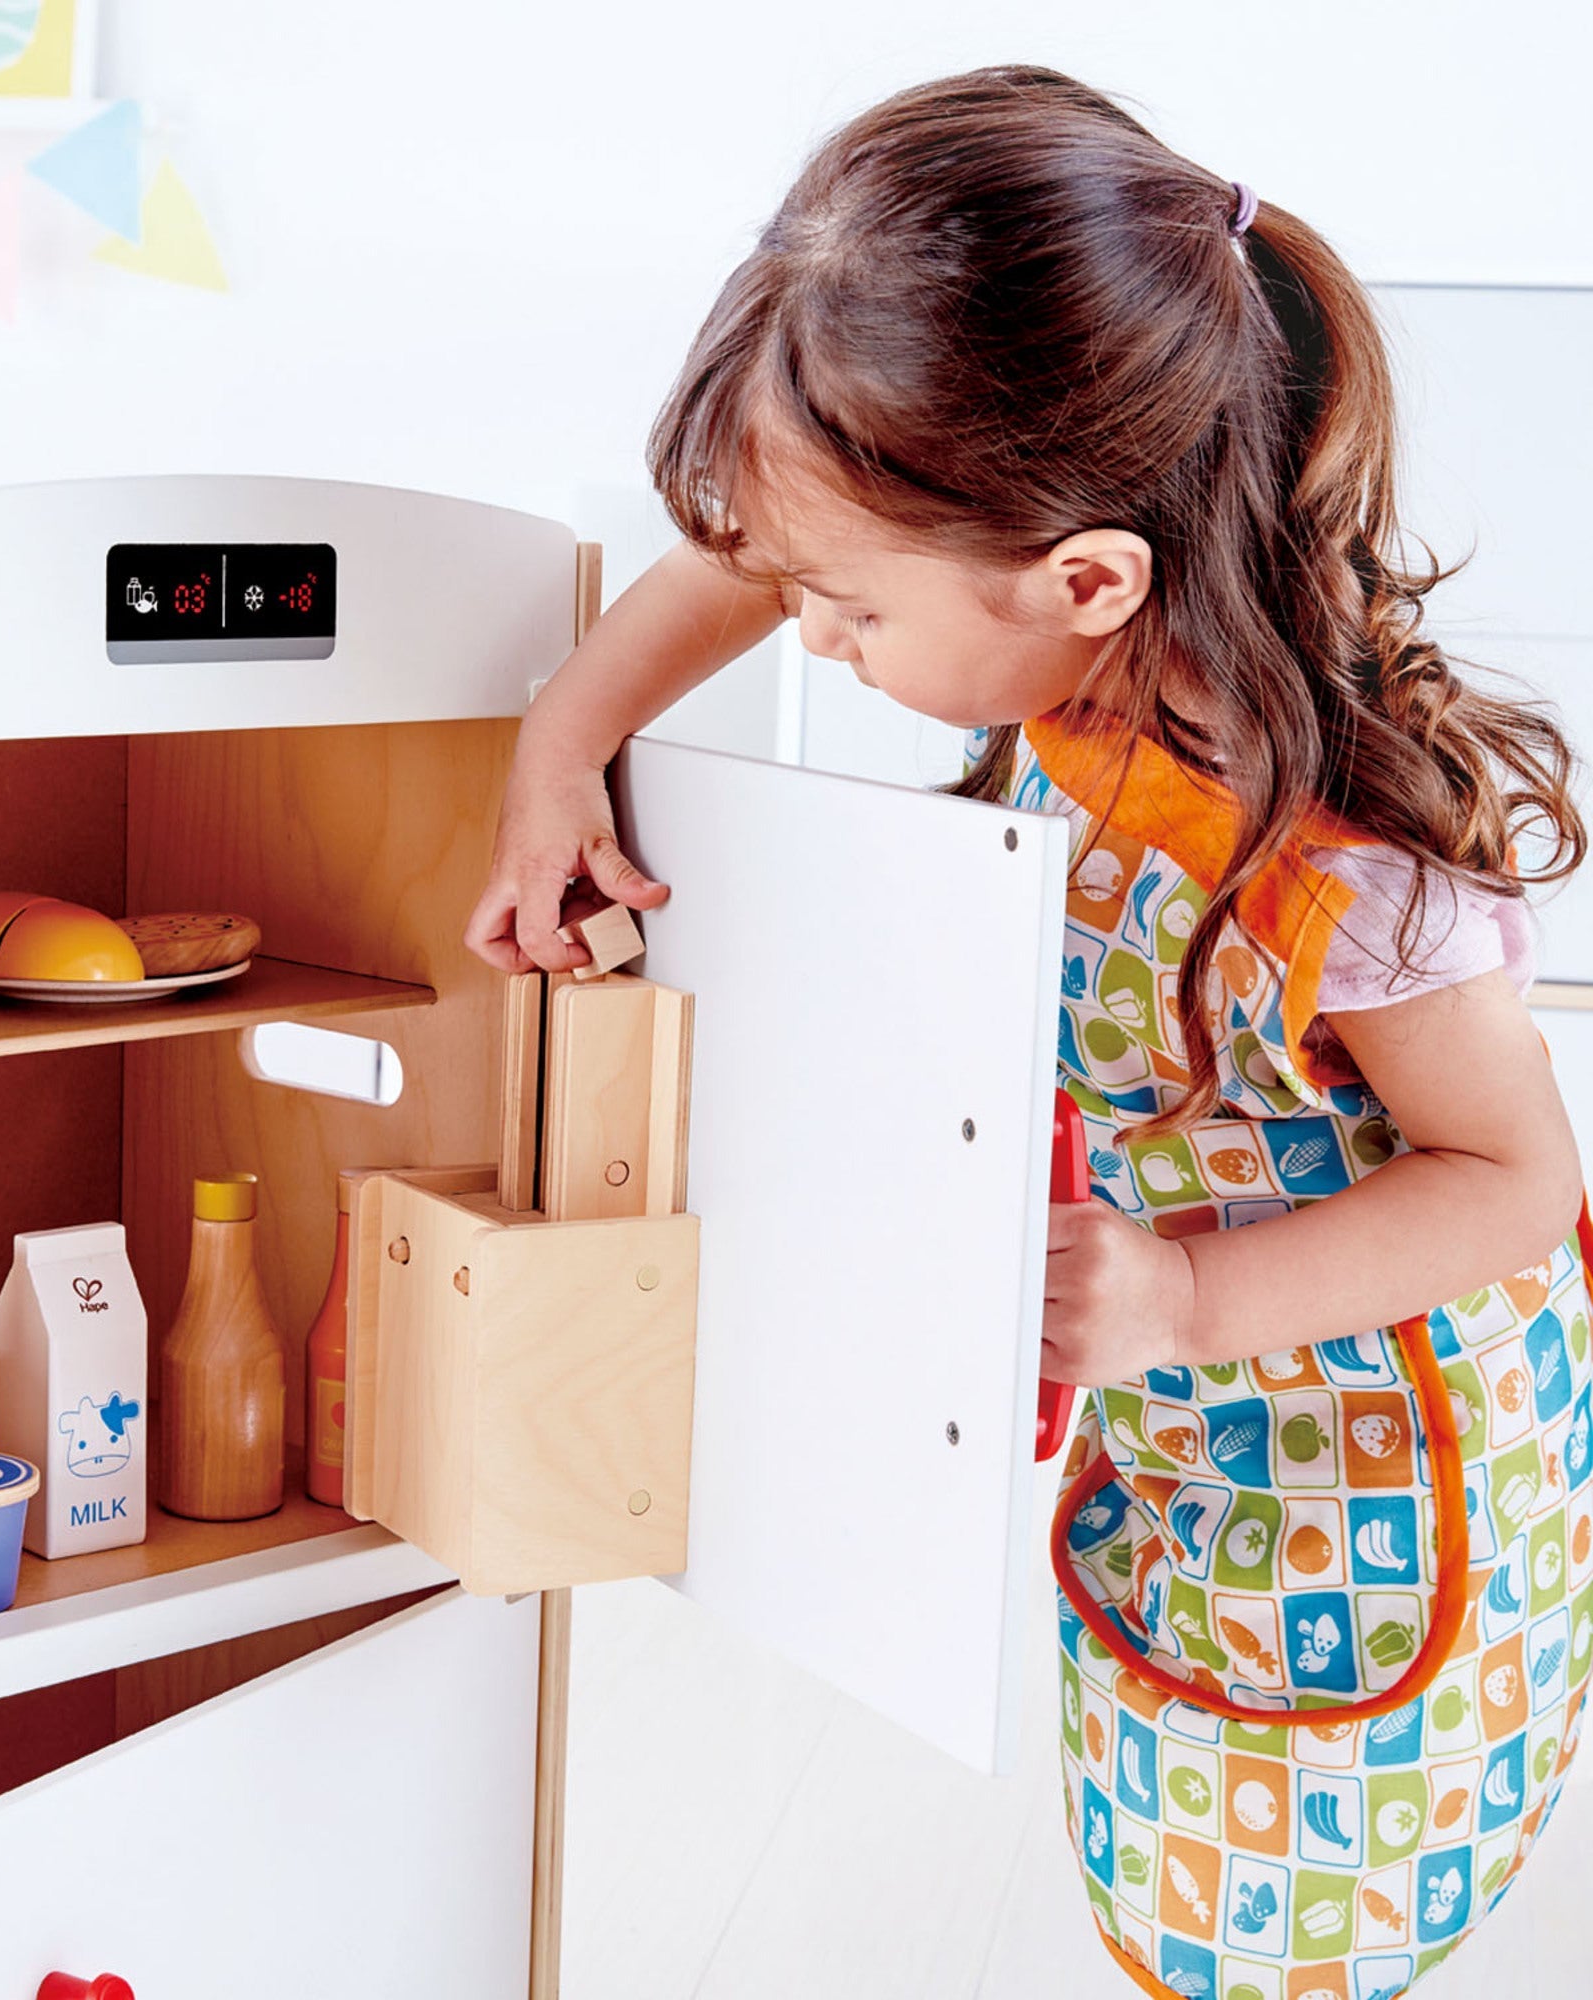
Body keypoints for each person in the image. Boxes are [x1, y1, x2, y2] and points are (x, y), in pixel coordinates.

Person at [464, 64, 1593, 2000]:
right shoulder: (1059, 618)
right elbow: (743, 552)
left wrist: (1182, 1304)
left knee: (1275, 1928)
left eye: (842, 606)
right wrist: (558, 749)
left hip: (1379, 1472)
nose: (805, 632)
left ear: (1081, 580)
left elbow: (1516, 1180)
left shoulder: (1338, 858)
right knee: (1157, 1833)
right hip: (1189, 1421)